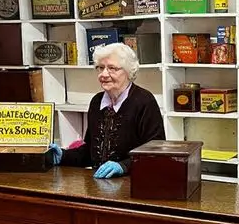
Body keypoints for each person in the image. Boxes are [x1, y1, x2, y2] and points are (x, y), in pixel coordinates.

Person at [51, 42, 164, 178]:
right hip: (99, 183)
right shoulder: (96, 102)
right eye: (100, 68)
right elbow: (89, 152)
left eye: (112, 68)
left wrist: (123, 166)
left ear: (128, 72)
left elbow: (156, 152)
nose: (104, 74)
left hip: (134, 184)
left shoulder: (145, 101)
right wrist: (63, 155)